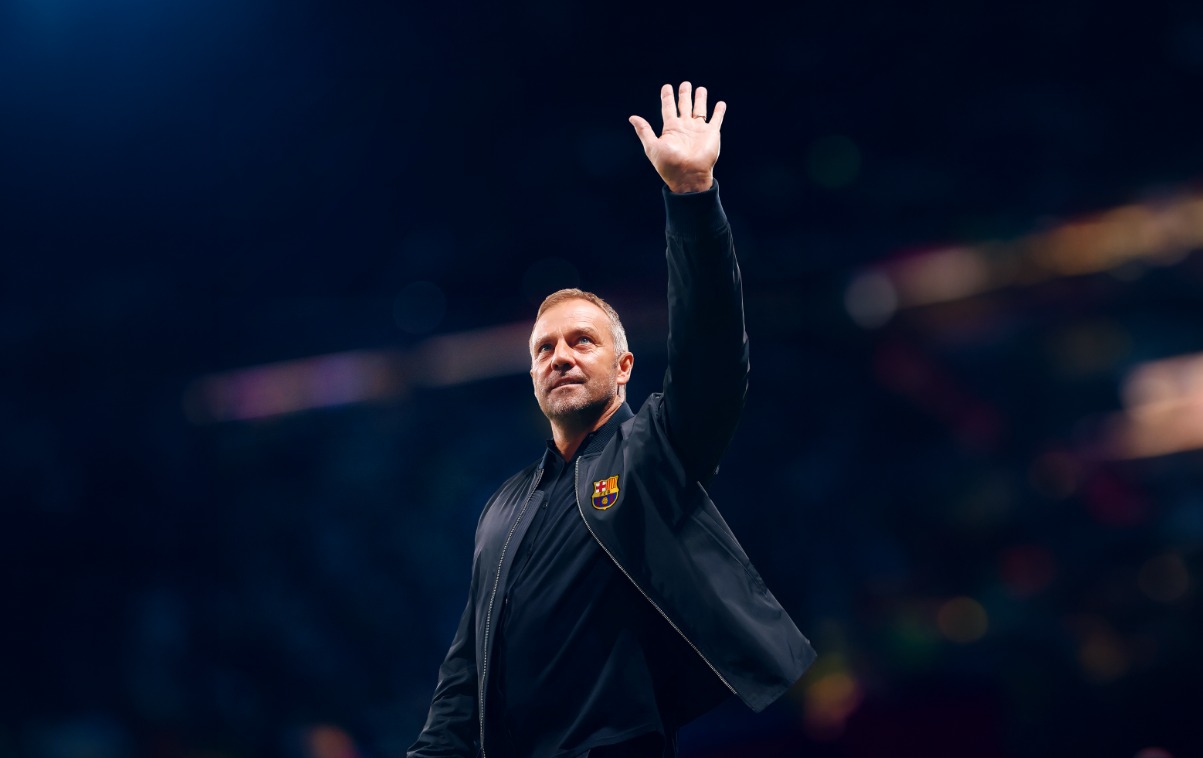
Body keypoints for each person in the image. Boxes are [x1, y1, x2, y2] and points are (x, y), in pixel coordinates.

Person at [407, 81, 815, 758]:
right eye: (544, 349)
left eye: (582, 341)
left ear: (624, 367)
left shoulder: (652, 450)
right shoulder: (502, 507)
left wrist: (692, 198)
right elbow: (464, 675)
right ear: (532, 377)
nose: (560, 357)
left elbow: (711, 353)